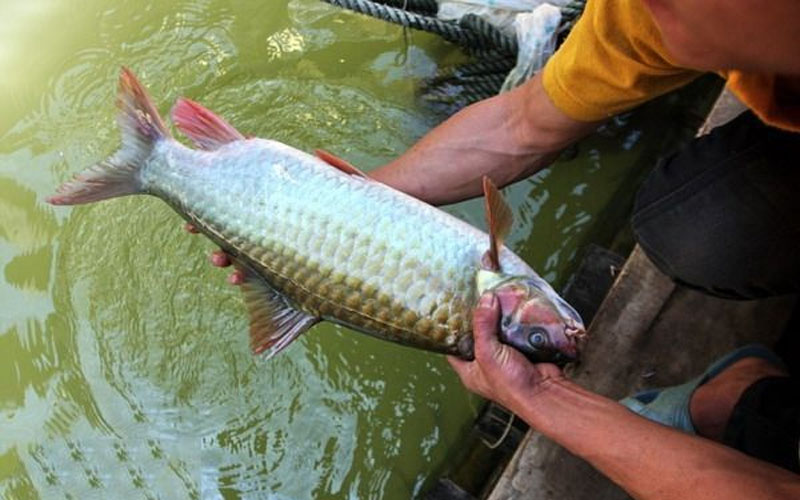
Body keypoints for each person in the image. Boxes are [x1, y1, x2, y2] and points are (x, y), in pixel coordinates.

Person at [197, 0, 800, 496]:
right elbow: (523, 125)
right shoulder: (645, 14)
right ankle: (755, 402)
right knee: (697, 228)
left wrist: (542, 400)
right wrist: (328, 217)